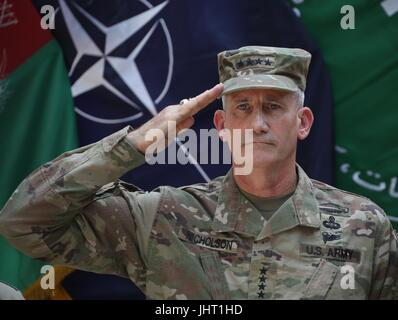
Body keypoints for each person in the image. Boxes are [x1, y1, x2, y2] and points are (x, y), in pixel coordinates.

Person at [0, 46, 396, 300]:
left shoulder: (362, 225)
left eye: (274, 107)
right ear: (221, 126)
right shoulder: (163, 218)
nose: (258, 123)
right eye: (243, 107)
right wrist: (136, 142)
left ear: (304, 122)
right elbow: (24, 220)